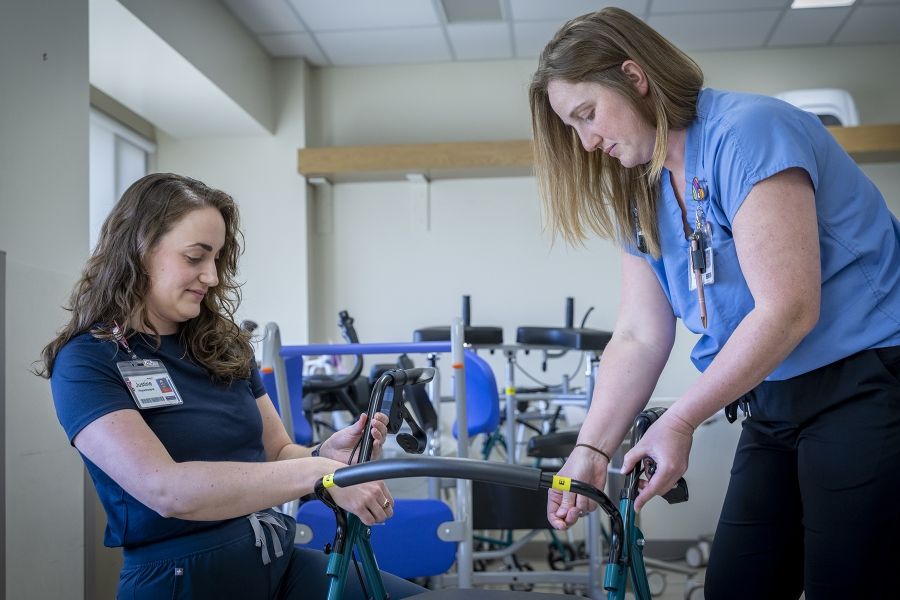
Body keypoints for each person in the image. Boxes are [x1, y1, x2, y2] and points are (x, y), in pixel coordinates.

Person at [530, 8, 900, 599]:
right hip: (772, 400)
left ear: (634, 76)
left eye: (587, 115)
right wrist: (592, 449)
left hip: (865, 383)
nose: (588, 141)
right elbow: (638, 335)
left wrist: (679, 421)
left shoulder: (747, 132)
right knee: (737, 585)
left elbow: (788, 309)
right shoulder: (641, 189)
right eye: (573, 127)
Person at [38, 173, 425, 599]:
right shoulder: (86, 361)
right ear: (139, 250)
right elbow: (167, 490)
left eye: (217, 258)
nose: (210, 275)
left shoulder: (220, 344)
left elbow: (277, 452)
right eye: (195, 257)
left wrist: (325, 454)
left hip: (275, 560)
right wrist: (321, 473)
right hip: (181, 579)